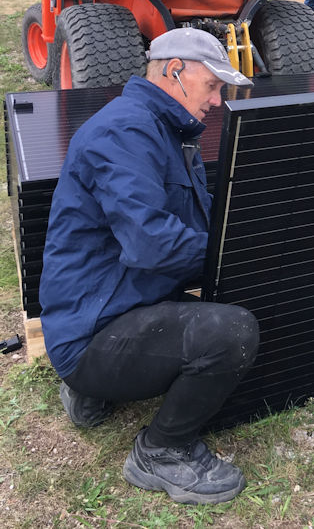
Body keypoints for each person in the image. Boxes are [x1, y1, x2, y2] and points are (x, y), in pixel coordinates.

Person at [39, 28, 261, 504]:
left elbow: (195, 222)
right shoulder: (124, 131)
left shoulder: (168, 130)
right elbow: (152, 246)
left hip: (117, 304)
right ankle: (160, 451)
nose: (218, 101)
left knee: (229, 299)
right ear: (175, 71)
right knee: (230, 332)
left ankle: (91, 393)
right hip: (91, 331)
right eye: (212, 86)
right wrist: (236, 253)